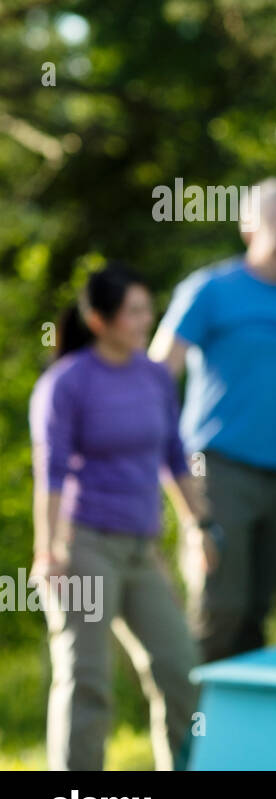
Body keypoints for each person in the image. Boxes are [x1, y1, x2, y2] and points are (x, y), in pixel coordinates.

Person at [30, 261, 206, 770]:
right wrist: (49, 548)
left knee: (179, 667)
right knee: (87, 679)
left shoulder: (154, 377)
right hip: (83, 545)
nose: (146, 320)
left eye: (148, 309)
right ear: (100, 320)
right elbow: (53, 472)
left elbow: (174, 457)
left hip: (140, 548)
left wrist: (199, 525)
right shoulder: (67, 384)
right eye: (134, 312)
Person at [149, 178, 276, 663]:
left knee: (259, 607)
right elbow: (154, 377)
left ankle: (241, 728)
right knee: (219, 605)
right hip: (214, 464)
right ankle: (192, 728)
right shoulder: (210, 290)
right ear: (249, 227)